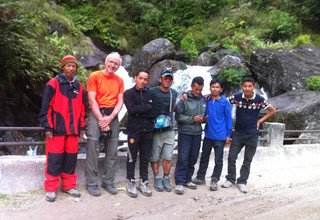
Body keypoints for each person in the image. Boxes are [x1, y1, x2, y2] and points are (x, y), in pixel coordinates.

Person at [39, 55, 86, 202]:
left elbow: (83, 108)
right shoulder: (53, 83)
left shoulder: (79, 86)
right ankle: (51, 189)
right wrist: (47, 126)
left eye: (73, 66)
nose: (71, 68)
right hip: (57, 129)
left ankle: (68, 186)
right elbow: (45, 107)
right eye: (68, 66)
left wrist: (82, 127)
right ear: (63, 67)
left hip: (73, 131)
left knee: (70, 160)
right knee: (54, 159)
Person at [222, 76, 276, 193]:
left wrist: (260, 121)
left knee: (247, 160)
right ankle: (230, 179)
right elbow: (223, 101)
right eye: (245, 86)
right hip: (238, 134)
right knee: (231, 157)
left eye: (249, 86)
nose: (247, 88)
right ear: (242, 87)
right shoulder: (236, 98)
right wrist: (209, 96)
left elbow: (272, 110)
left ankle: (242, 181)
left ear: (253, 87)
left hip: (252, 135)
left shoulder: (260, 99)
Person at [85, 52, 124, 196]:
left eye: (116, 64)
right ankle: (91, 183)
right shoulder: (94, 76)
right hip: (96, 114)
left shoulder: (119, 80)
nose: (113, 65)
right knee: (93, 150)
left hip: (112, 115)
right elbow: (91, 100)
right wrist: (101, 119)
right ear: (106, 61)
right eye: (111, 62)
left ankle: (108, 181)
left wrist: (110, 117)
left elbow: (120, 101)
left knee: (112, 150)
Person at [192, 79, 232, 191]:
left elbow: (229, 119)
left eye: (217, 87)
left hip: (220, 136)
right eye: (213, 86)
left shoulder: (224, 102)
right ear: (210, 88)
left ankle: (214, 180)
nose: (215, 89)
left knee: (218, 160)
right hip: (208, 134)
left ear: (221, 89)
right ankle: (200, 177)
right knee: (204, 157)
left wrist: (228, 135)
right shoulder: (207, 100)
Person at [123, 70, 157, 198]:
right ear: (135, 77)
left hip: (148, 131)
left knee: (145, 158)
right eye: (140, 78)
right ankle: (130, 181)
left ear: (148, 80)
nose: (142, 81)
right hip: (134, 131)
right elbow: (131, 110)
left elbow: (154, 112)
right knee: (131, 157)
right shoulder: (128, 93)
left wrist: (140, 111)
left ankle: (144, 181)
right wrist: (147, 107)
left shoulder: (151, 94)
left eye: (145, 79)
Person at [174, 76, 206, 195]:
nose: (198, 92)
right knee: (183, 157)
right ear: (192, 86)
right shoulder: (184, 100)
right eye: (196, 89)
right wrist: (192, 119)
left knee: (193, 157)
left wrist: (203, 119)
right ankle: (179, 182)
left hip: (197, 133)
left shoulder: (203, 99)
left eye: (200, 90)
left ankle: (188, 179)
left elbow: (205, 115)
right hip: (185, 133)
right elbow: (178, 117)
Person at [149, 68, 178, 192]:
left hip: (169, 129)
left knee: (168, 156)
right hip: (155, 129)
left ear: (172, 81)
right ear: (160, 79)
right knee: (155, 156)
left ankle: (166, 177)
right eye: (165, 78)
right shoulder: (151, 91)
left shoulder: (174, 93)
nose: (167, 80)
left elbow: (174, 107)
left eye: (170, 79)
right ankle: (157, 177)